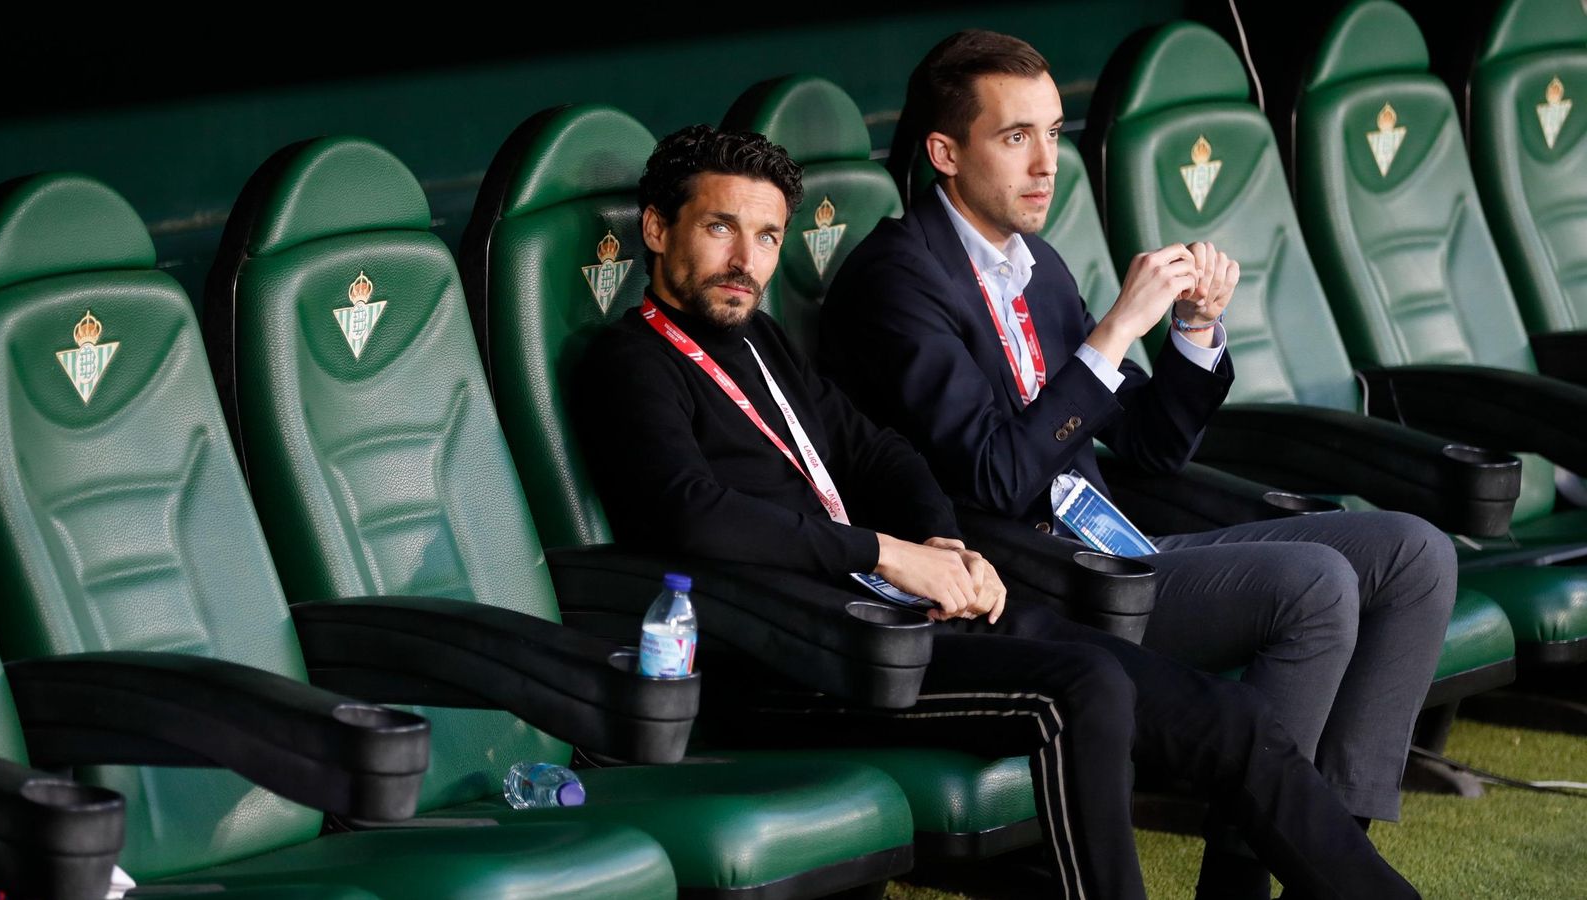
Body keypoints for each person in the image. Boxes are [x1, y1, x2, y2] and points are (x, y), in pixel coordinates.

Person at [573, 121, 1420, 900]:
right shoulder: (629, 361)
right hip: (794, 653)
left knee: (1225, 715)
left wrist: (939, 539)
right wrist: (888, 553)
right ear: (657, 230)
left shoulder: (759, 341)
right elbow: (696, 515)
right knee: (1084, 686)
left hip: (901, 617)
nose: (746, 261)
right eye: (721, 228)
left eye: (766, 237)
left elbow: (878, 452)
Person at [819, 29, 1457, 899]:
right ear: (945, 152)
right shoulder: (894, 281)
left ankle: (1324, 848)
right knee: (1313, 585)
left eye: (1054, 132)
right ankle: (1243, 884)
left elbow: (1149, 449)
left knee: (1414, 554)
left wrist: (1193, 332)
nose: (1048, 163)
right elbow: (996, 477)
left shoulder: (1035, 266)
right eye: (1016, 138)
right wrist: (1116, 330)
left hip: (1116, 543)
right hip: (1029, 581)